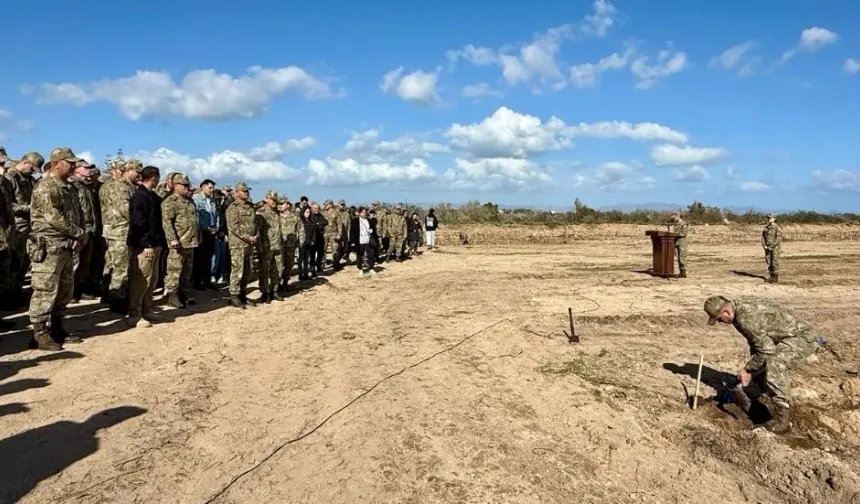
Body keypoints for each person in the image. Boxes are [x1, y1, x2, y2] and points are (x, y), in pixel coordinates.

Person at [703, 296, 821, 433]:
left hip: (800, 338)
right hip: (784, 338)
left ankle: (782, 421)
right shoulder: (739, 308)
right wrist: (753, 370)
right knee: (762, 367)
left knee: (775, 365)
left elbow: (766, 350)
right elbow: (757, 345)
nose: (720, 322)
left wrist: (747, 369)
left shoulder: (745, 318)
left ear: (726, 313)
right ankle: (762, 396)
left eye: (719, 319)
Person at [27, 148, 86, 350]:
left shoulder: (68, 188)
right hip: (49, 246)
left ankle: (57, 327)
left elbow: (76, 213)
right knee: (45, 290)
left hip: (67, 246)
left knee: (63, 290)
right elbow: (53, 217)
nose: (73, 167)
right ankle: (39, 333)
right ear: (57, 163)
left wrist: (78, 235)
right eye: (70, 163)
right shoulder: (45, 187)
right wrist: (78, 232)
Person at [127, 166, 164, 328]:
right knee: (141, 281)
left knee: (152, 281)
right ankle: (135, 313)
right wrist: (146, 243)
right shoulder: (139, 196)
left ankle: (147, 309)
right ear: (154, 178)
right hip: (144, 246)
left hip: (155, 244)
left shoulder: (153, 196)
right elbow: (138, 223)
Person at [5, 152, 43, 302]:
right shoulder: (10, 178)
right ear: (25, 163)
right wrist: (29, 208)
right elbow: (8, 205)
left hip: (28, 227)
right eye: (32, 168)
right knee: (13, 261)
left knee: (24, 261)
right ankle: (8, 295)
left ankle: (17, 290)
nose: (33, 171)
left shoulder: (29, 180)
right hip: (16, 227)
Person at [161, 173, 199, 308]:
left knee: (187, 272)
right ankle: (172, 296)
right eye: (184, 185)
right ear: (176, 186)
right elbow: (167, 223)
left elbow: (195, 222)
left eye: (188, 185)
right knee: (174, 271)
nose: (187, 187)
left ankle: (185, 293)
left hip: (190, 242)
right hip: (178, 243)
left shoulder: (189, 202)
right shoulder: (170, 202)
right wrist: (172, 239)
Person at [225, 182, 258, 308]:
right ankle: (234, 295)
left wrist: (254, 236)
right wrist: (247, 237)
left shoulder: (250, 207)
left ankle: (243, 294)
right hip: (238, 244)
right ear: (237, 193)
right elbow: (234, 227)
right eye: (244, 191)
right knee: (237, 271)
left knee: (248, 271)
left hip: (249, 244)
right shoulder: (233, 208)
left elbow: (254, 224)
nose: (246, 193)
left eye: (247, 191)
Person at [256, 190, 283, 303]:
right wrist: (260, 247)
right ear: (266, 199)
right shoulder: (261, 212)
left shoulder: (277, 213)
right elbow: (257, 232)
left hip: (277, 246)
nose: (274, 203)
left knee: (277, 270)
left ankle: (274, 291)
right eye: (272, 200)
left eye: (276, 201)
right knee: (264, 271)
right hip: (267, 246)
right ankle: (265, 293)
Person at [192, 179, 219, 290]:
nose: (211, 190)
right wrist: (206, 227)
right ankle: (197, 282)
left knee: (209, 257)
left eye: (212, 188)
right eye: (210, 188)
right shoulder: (196, 199)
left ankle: (207, 281)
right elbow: (197, 216)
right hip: (201, 232)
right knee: (199, 258)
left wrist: (216, 226)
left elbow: (216, 215)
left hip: (211, 232)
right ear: (202, 187)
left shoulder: (212, 201)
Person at [278, 199, 299, 291]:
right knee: (278, 265)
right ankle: (277, 284)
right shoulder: (276, 216)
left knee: (289, 264)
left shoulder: (295, 217)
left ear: (288, 205)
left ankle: (285, 282)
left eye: (282, 204)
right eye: (278, 204)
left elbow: (300, 229)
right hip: (279, 245)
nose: (279, 205)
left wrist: (300, 241)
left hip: (290, 244)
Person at [356, 206, 378, 276]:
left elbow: (374, 224)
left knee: (371, 255)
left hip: (368, 240)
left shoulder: (368, 220)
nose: (364, 214)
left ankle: (371, 268)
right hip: (359, 240)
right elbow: (352, 232)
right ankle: (360, 269)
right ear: (359, 213)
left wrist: (371, 230)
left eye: (365, 212)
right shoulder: (355, 221)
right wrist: (353, 242)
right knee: (360, 256)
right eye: (363, 212)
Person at [309, 202, 328, 275]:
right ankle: (312, 269)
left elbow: (326, 222)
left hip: (320, 237)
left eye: (318, 208)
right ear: (312, 209)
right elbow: (312, 225)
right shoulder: (310, 216)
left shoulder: (320, 215)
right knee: (312, 254)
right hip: (313, 238)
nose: (317, 209)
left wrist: (318, 224)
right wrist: (318, 224)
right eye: (315, 208)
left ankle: (319, 268)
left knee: (321, 253)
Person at [762, 213, 782, 284]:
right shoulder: (766, 228)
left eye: (770, 218)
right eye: (768, 218)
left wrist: (771, 246)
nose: (769, 219)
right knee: (768, 262)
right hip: (767, 248)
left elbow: (778, 239)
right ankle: (771, 276)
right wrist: (764, 245)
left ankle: (775, 277)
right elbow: (763, 237)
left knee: (774, 262)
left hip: (774, 248)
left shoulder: (777, 228)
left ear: (774, 219)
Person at [669, 210, 689, 278]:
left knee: (682, 257)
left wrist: (675, 234)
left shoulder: (684, 224)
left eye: (674, 217)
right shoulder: (675, 224)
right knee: (678, 258)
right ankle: (681, 272)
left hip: (682, 242)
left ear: (678, 216)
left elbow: (684, 233)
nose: (674, 219)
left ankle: (683, 272)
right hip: (676, 242)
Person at [298, 206, 314, 281]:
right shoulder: (300, 221)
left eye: (309, 212)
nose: (308, 214)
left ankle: (306, 273)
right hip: (302, 242)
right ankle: (300, 274)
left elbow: (314, 232)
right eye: (307, 212)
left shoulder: (311, 221)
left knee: (306, 259)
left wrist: (313, 240)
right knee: (301, 259)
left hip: (309, 242)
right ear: (303, 213)